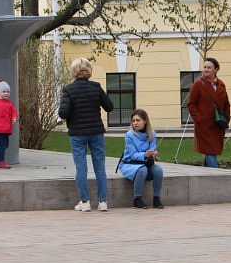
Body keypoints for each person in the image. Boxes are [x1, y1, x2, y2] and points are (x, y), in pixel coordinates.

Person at [59, 57, 113, 212]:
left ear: (74, 72)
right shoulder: (96, 87)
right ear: (89, 71)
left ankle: (85, 201)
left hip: (77, 133)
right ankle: (103, 202)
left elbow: (63, 112)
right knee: (100, 167)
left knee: (81, 167)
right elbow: (109, 106)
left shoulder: (69, 89)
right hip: (96, 131)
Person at [186, 57, 230, 168]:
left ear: (216, 69)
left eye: (209, 67)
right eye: (205, 67)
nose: (206, 70)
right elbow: (191, 104)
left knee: (211, 151)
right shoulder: (198, 85)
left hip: (218, 124)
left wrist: (226, 118)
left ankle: (203, 178)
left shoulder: (221, 85)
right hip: (204, 126)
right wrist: (199, 119)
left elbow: (226, 104)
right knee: (210, 152)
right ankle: (217, 179)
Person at [118, 109, 164, 209]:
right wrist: (145, 155)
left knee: (158, 170)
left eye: (138, 120)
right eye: (133, 121)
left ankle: (156, 199)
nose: (135, 123)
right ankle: (137, 199)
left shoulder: (152, 134)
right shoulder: (129, 135)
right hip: (129, 164)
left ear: (145, 121)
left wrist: (153, 153)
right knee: (142, 170)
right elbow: (133, 155)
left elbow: (152, 148)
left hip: (146, 163)